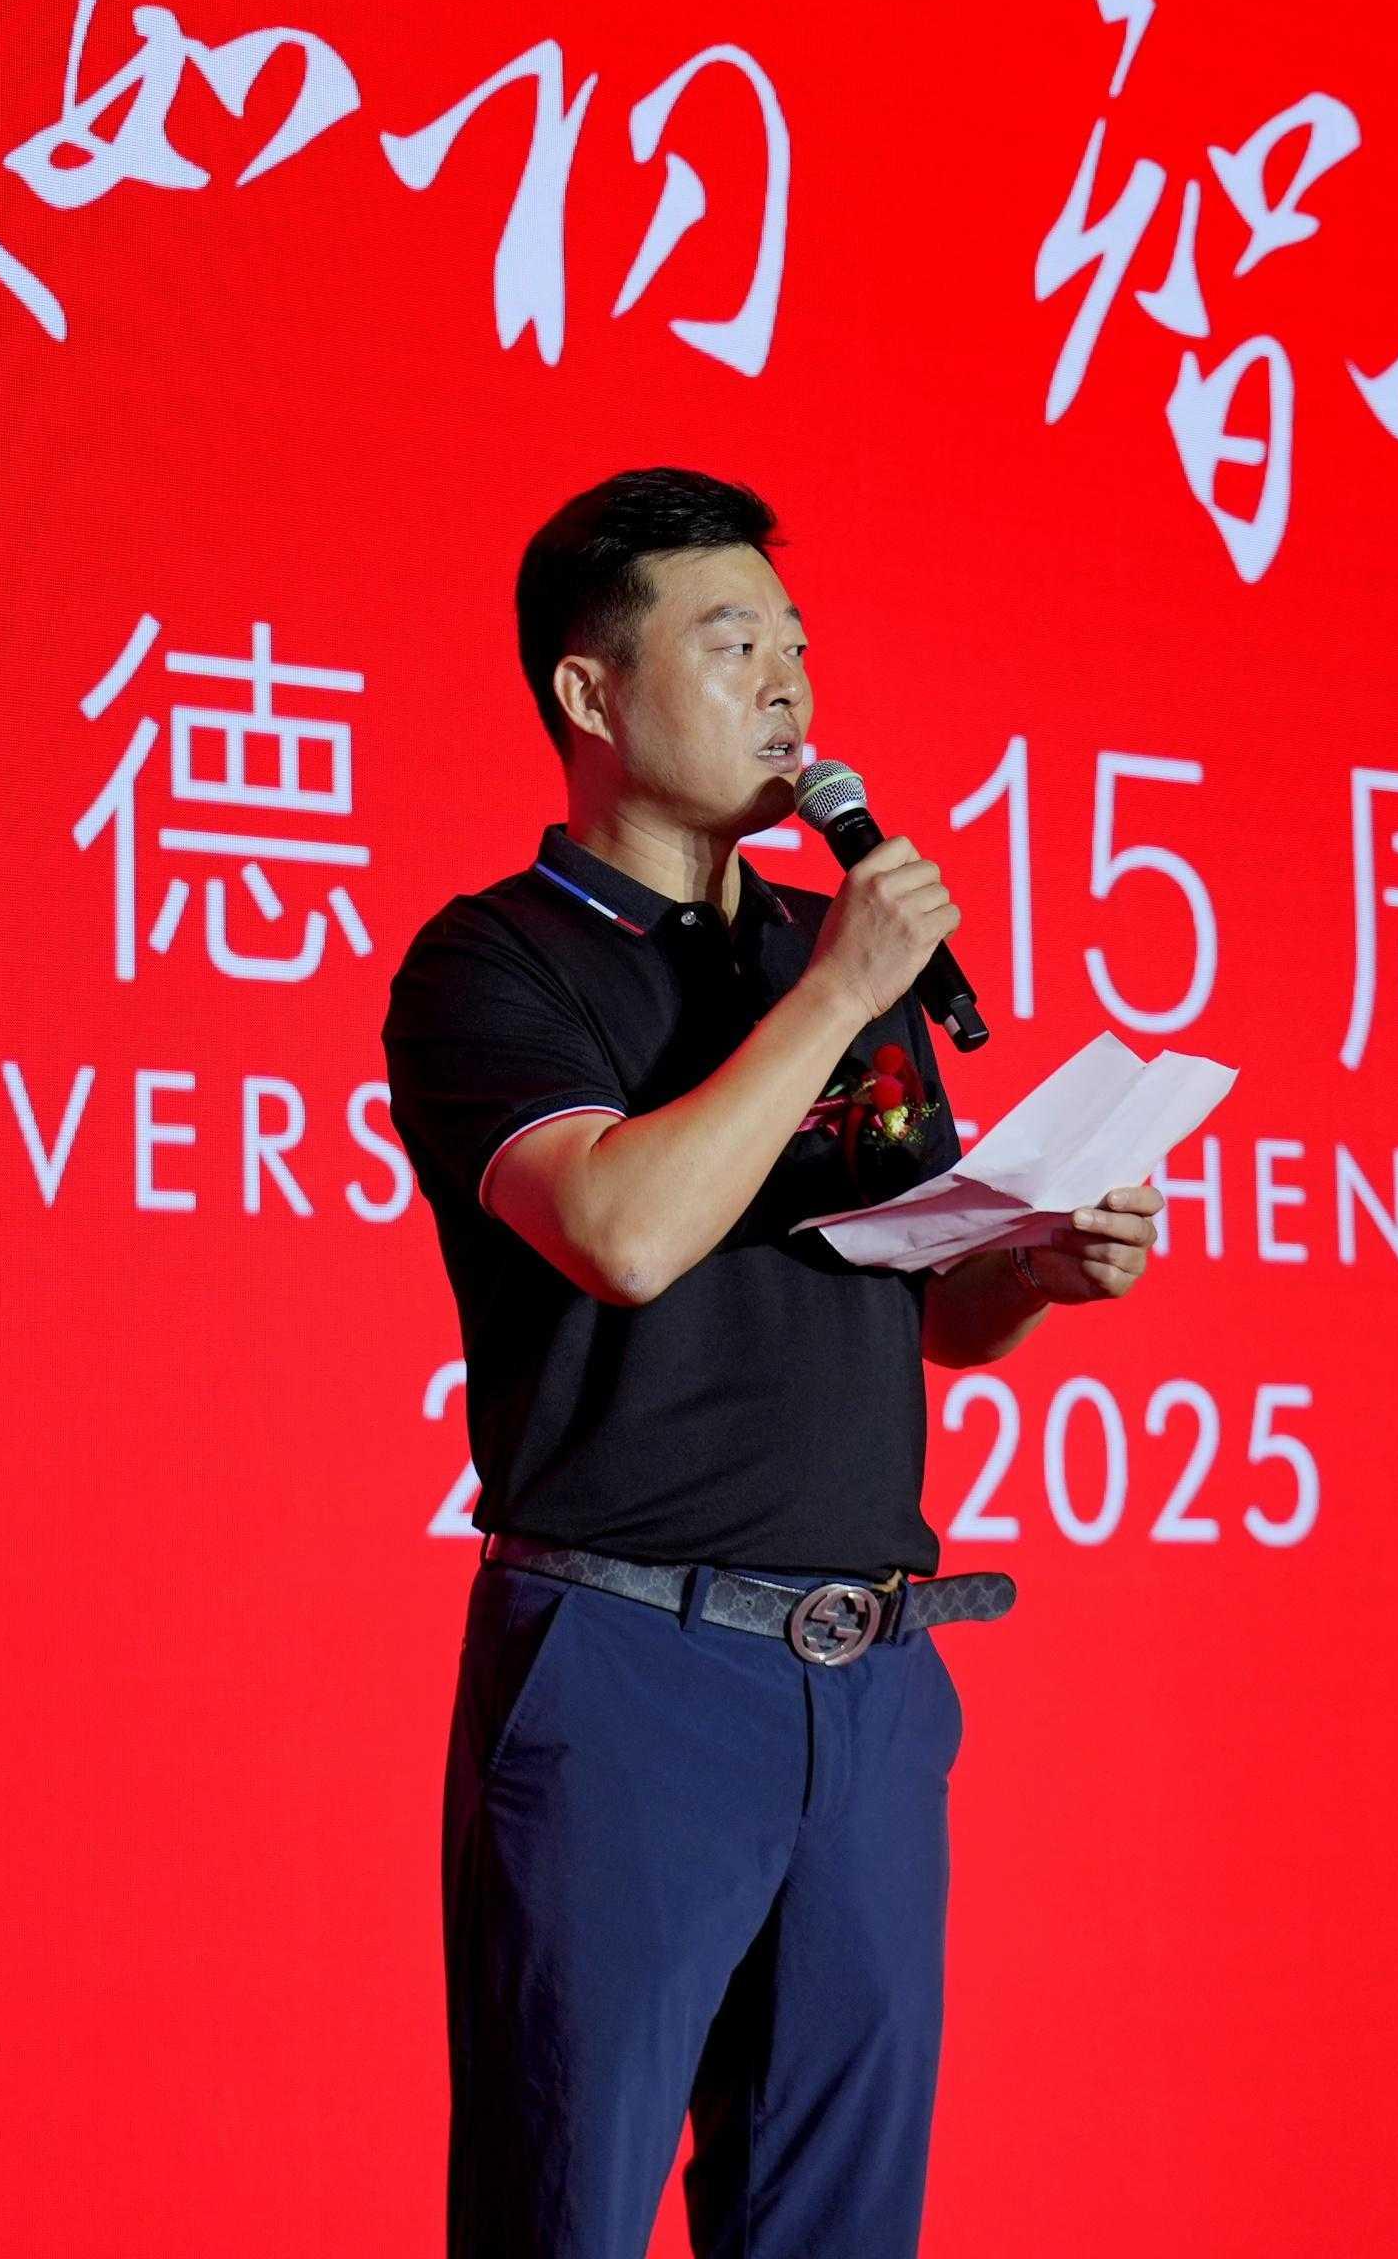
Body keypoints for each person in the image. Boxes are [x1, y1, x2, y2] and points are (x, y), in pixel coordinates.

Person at [383, 467, 1162, 2259]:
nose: (789, 685)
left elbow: (925, 1310)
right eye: (734, 644)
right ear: (590, 691)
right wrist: (832, 997)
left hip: (869, 1673)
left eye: (797, 645)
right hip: (628, 1665)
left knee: (835, 2223)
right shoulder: (496, 961)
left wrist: (1037, 1267)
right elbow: (624, 1232)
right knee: (566, 2209)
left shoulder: (833, 952)